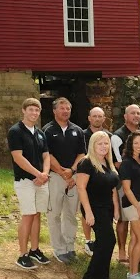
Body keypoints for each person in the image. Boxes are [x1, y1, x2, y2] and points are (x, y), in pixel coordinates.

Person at [7, 98, 51, 269]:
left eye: (37, 110)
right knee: (28, 215)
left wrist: (45, 174)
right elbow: (18, 157)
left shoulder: (40, 133)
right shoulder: (15, 131)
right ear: (24, 111)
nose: (34, 113)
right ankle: (22, 254)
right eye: (31, 110)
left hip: (41, 180)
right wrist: (38, 174)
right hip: (25, 180)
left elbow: (46, 155)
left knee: (37, 214)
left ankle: (34, 249)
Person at [42, 97, 86, 264]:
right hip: (55, 177)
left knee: (70, 214)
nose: (65, 111)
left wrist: (72, 170)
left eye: (68, 108)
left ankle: (69, 247)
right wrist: (62, 172)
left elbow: (82, 154)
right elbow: (47, 155)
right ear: (54, 111)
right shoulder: (47, 130)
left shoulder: (77, 130)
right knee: (54, 214)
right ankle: (59, 249)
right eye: (62, 108)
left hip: (74, 177)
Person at [77, 131, 120, 279]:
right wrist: (88, 212)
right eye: (99, 143)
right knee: (108, 239)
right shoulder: (86, 163)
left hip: (107, 207)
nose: (103, 146)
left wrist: (116, 208)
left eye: (106, 143)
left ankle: (101, 275)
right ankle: (91, 276)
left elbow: (113, 188)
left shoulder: (108, 163)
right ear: (92, 145)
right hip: (94, 207)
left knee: (104, 241)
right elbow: (81, 188)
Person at [119, 130, 140, 279]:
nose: (139, 145)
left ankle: (132, 273)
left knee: (134, 239)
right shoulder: (127, 162)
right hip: (133, 205)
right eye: (136, 143)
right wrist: (138, 208)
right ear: (130, 144)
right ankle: (134, 273)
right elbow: (126, 189)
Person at [111, 104, 140, 263]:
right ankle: (122, 251)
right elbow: (117, 163)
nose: (136, 116)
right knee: (123, 219)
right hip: (123, 183)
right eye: (132, 113)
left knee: (138, 218)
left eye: (138, 113)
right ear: (125, 116)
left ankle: (135, 250)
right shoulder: (117, 136)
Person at [82, 106, 111, 256]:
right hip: (88, 182)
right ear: (89, 118)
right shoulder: (82, 134)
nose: (98, 119)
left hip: (104, 191)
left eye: (100, 116)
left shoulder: (109, 136)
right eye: (95, 116)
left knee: (106, 238)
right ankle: (88, 241)